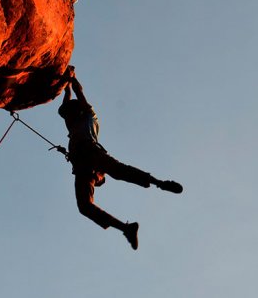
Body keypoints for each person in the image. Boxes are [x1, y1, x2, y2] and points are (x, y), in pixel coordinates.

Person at [58, 66, 183, 250]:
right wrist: (66, 84)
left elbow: (78, 93)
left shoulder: (89, 116)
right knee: (84, 206)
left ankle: (159, 182)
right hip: (83, 165)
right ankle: (126, 228)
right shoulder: (73, 122)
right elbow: (68, 98)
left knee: (118, 171)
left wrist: (72, 78)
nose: (67, 118)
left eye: (69, 113)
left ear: (76, 111)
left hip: (92, 153)